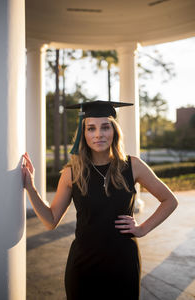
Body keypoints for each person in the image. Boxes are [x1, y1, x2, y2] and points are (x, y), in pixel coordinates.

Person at [22, 100, 178, 300]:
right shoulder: (72, 173)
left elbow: (169, 200)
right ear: (83, 133)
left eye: (105, 127)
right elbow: (51, 221)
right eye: (91, 128)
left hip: (123, 264)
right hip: (83, 266)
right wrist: (31, 188)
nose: (98, 134)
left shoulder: (133, 166)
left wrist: (142, 228)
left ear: (114, 130)